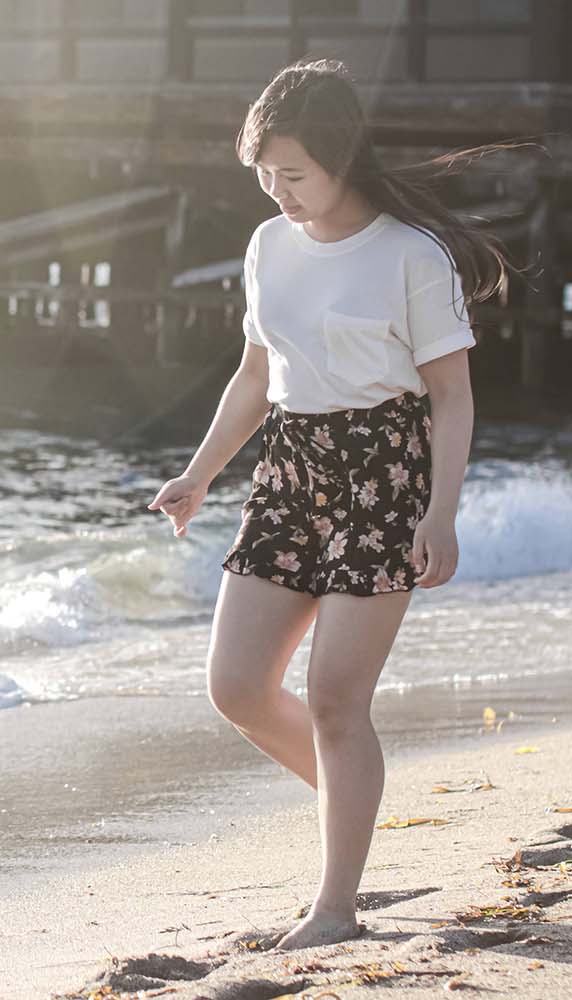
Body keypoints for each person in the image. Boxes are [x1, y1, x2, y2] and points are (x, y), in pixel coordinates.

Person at [146, 58, 539, 951]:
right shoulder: (266, 245)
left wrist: (440, 514)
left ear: (339, 158)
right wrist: (202, 473)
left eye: (293, 173)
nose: (277, 191)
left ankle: (336, 906)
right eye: (263, 174)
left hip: (386, 475)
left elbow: (452, 398)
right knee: (238, 687)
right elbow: (257, 372)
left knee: (334, 699)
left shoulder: (411, 254)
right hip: (292, 470)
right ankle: (350, 809)